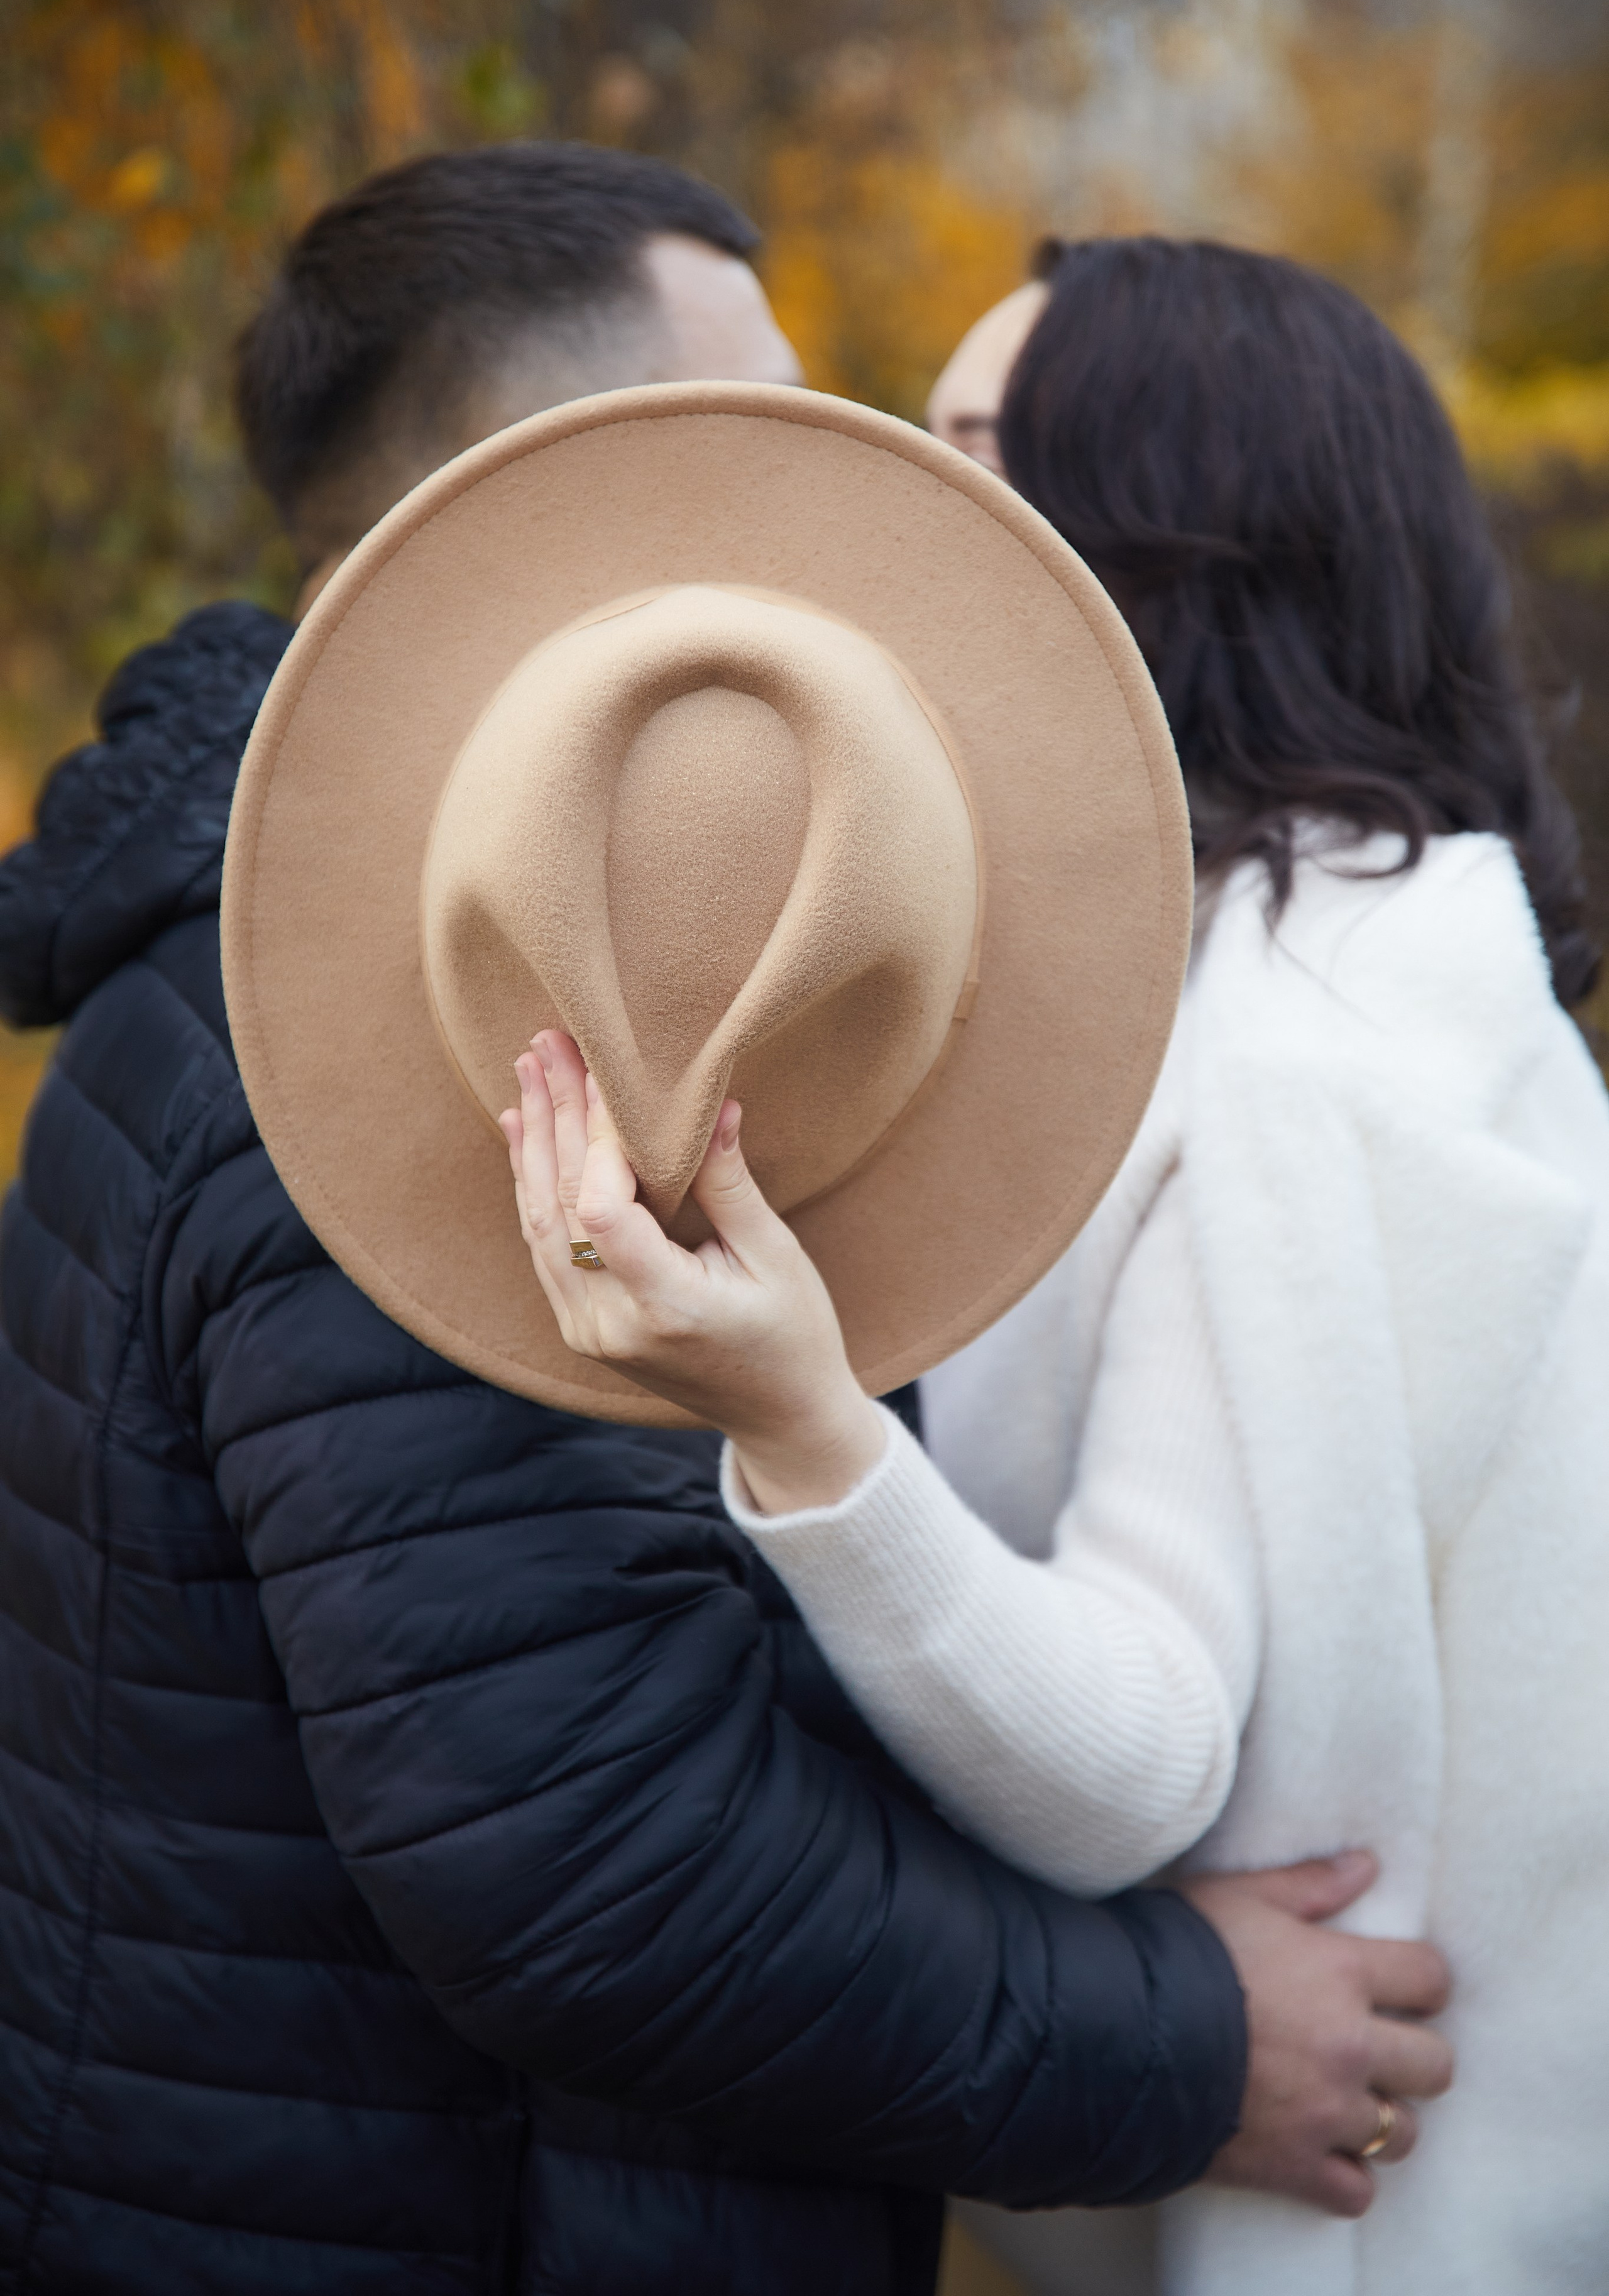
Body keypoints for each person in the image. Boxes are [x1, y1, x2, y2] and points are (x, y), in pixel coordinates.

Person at [0, 153, 1446, 2296]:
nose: (816, 473)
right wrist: (1193, 2042)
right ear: (565, 493)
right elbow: (590, 1864)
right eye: (746, 417)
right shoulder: (416, 1065)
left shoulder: (300, 941)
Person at [498, 239, 1609, 2296]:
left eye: (977, 454)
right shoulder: (1370, 968)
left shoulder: (1298, 1058)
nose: (905, 517)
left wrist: (804, 1425)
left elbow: (1139, 1759)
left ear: (1182, 541)